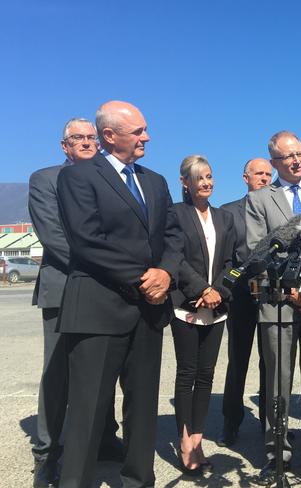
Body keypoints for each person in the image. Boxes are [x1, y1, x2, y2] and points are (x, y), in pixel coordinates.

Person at [56, 101, 183, 488]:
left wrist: (166, 273)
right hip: (98, 310)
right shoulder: (79, 178)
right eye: (139, 131)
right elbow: (87, 241)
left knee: (143, 409)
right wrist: (144, 278)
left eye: (145, 130)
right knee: (88, 412)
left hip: (148, 312)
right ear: (109, 136)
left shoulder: (156, 181)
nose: (147, 137)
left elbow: (173, 236)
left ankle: (138, 481)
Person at [28, 118, 123, 488]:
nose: (86, 142)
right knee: (58, 374)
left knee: (104, 369)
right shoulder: (45, 179)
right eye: (77, 138)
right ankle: (47, 453)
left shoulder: (110, 179)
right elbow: (54, 236)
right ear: (64, 146)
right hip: (65, 286)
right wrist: (108, 268)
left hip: (104, 289)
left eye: (91, 137)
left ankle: (102, 437)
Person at [246, 131, 301, 484]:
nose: (296, 161)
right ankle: (276, 454)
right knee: (278, 384)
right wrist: (290, 289)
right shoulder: (260, 200)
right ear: (274, 162)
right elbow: (256, 251)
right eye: (288, 157)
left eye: (300, 154)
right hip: (278, 304)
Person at [170, 155, 235, 474]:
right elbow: (175, 259)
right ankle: (184, 441)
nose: (207, 182)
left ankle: (198, 440)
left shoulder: (224, 218)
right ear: (185, 183)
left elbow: (234, 263)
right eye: (200, 178)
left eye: (210, 176)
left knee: (207, 375)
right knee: (187, 374)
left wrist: (218, 292)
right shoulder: (176, 214)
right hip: (188, 306)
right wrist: (200, 290)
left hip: (217, 308)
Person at [218, 158, 273, 447]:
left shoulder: (277, 207)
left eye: (268, 173)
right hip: (240, 295)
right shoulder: (229, 212)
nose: (264, 178)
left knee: (271, 362)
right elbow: (224, 258)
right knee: (238, 361)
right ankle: (231, 421)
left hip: (270, 294)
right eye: (258, 174)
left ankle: (270, 423)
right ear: (245, 178)